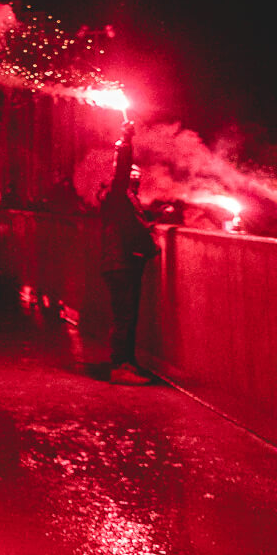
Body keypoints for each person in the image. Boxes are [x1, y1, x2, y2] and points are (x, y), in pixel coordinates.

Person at [100, 123, 158, 385]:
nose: (137, 179)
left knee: (127, 315)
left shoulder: (125, 200)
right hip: (120, 263)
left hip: (124, 262)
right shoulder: (118, 194)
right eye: (134, 176)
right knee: (124, 316)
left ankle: (127, 363)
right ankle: (119, 366)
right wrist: (125, 140)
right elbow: (121, 170)